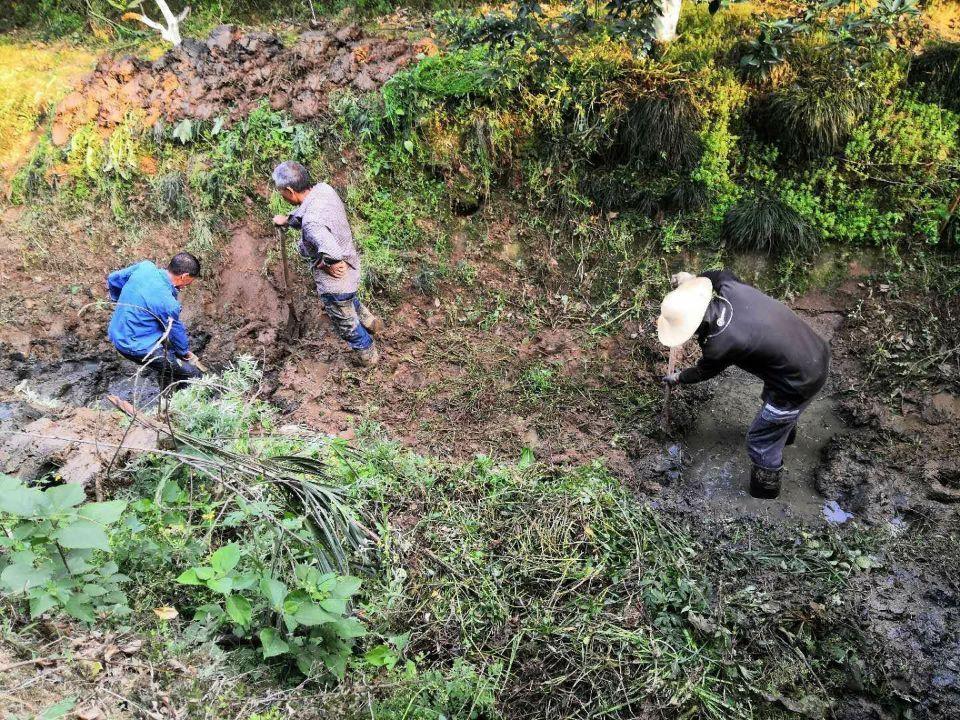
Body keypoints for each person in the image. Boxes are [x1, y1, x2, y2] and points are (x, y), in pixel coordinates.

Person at [658, 270, 830, 499]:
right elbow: (716, 275)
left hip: (799, 384)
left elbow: (702, 371)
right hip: (813, 352)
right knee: (776, 404)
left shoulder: (719, 344)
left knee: (760, 441)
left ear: (696, 327)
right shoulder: (730, 288)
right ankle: (784, 436)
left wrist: (678, 377)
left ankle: (765, 492)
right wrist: (690, 281)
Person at [271, 160, 382, 367]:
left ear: (289, 190)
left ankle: (368, 354)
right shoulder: (324, 190)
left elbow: (330, 251)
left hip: (336, 284)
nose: (282, 196)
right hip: (351, 269)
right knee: (349, 301)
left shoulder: (312, 222)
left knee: (345, 322)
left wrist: (325, 264)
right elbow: (309, 214)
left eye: (281, 193)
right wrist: (288, 220)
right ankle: (368, 321)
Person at [107, 252, 204, 395]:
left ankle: (166, 382)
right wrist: (184, 353)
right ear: (183, 276)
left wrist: (118, 299)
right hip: (133, 345)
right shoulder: (168, 303)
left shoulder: (145, 268)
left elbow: (113, 279)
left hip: (116, 331)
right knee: (193, 375)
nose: (187, 285)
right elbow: (175, 331)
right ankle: (177, 405)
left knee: (170, 355)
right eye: (189, 281)